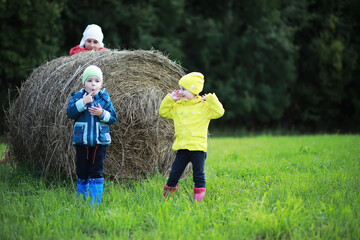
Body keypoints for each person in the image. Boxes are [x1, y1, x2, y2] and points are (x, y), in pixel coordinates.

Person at [159, 72, 225, 202]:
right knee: (174, 175)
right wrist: (170, 99)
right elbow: (163, 112)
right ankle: (167, 198)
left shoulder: (204, 107)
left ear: (194, 90)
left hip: (198, 148)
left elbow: (219, 112)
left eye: (184, 89)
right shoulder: (178, 106)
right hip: (182, 147)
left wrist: (211, 99)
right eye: (180, 88)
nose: (180, 91)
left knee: (199, 175)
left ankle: (198, 201)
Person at [67, 65, 117, 206]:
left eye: (96, 81)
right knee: (81, 171)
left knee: (96, 171)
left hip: (99, 143)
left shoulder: (104, 98)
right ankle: (81, 200)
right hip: (82, 142)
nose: (93, 84)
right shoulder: (78, 97)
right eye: (89, 80)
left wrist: (102, 114)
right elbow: (70, 113)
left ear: (101, 84)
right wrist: (83, 102)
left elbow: (113, 118)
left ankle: (95, 203)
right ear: (84, 83)